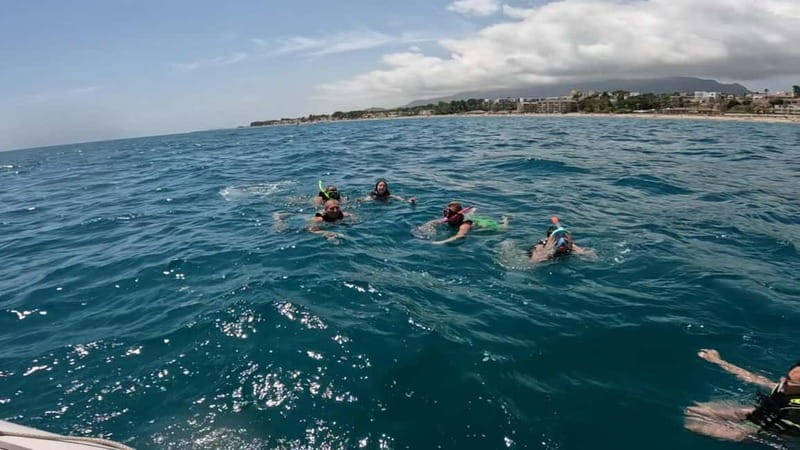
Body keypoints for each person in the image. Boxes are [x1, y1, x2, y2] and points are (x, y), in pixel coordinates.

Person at [684, 349, 800, 442]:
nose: (782, 380)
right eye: (787, 377)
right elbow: (752, 378)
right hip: (765, 414)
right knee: (694, 410)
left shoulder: (794, 410)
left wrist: (743, 428)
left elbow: (763, 428)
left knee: (693, 424)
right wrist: (718, 361)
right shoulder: (785, 386)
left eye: (790, 382)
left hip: (764, 430)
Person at [428, 201, 508, 245]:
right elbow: (438, 222)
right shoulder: (450, 217)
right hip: (466, 219)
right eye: (447, 211)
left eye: (449, 212)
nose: (447, 214)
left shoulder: (465, 225)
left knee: (503, 228)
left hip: (481, 224)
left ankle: (505, 220)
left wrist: (441, 242)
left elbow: (460, 235)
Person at [529, 223, 595, 263]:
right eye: (557, 237)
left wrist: (572, 246)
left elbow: (592, 257)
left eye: (563, 236)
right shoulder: (540, 247)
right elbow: (531, 263)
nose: (561, 240)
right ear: (549, 239)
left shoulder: (569, 245)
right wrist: (546, 252)